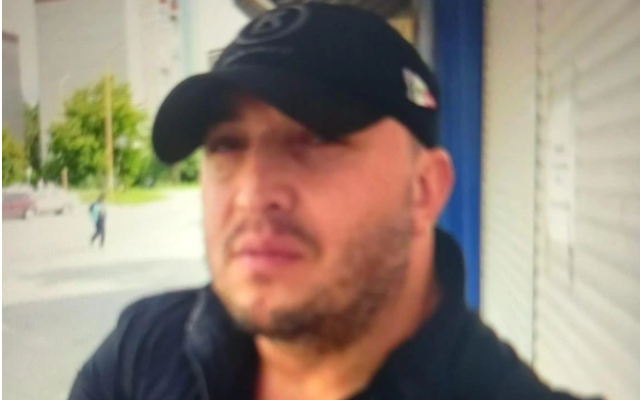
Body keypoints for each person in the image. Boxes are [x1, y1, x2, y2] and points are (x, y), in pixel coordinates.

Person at [69, 4, 598, 400]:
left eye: (318, 138)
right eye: (226, 145)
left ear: (424, 190)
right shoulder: (141, 353)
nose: (252, 194)